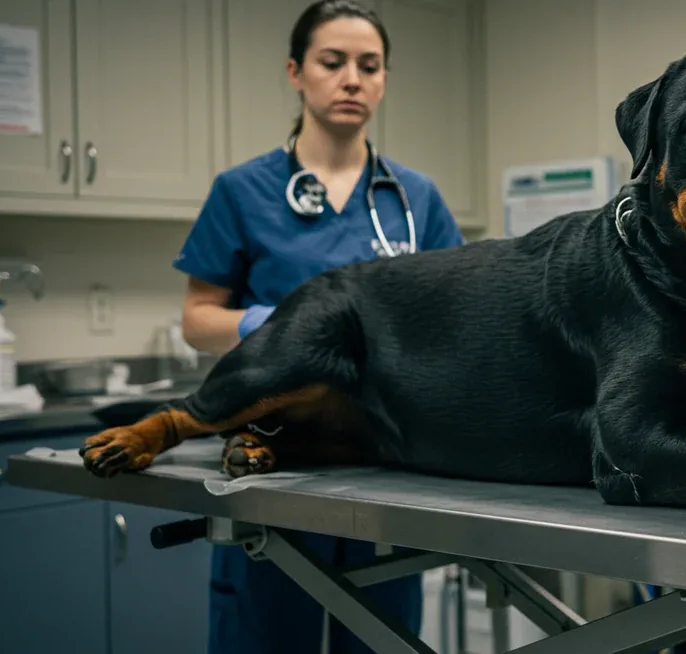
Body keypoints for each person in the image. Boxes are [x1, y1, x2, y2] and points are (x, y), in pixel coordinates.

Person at [171, 1, 466, 652]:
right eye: (332, 62)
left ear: (385, 79)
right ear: (296, 72)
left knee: (382, 635)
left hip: (384, 465)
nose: (352, 79)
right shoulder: (242, 190)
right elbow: (196, 320)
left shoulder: (417, 198)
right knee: (267, 635)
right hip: (272, 461)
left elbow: (453, 317)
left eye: (370, 65)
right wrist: (271, 325)